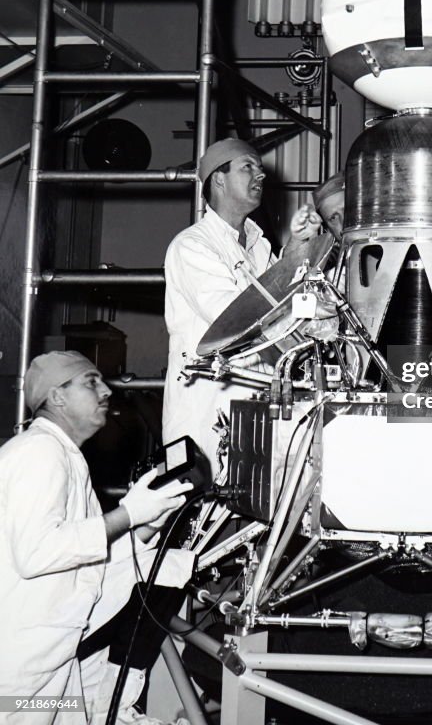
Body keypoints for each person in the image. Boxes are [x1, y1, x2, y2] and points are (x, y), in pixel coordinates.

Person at [0, 352, 191, 725]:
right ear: (57, 397)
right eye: (91, 381)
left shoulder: (62, 455)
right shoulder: (40, 452)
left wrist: (145, 526)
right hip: (17, 677)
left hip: (48, 664)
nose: (106, 390)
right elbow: (38, 552)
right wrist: (128, 514)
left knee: (77, 713)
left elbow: (79, 555)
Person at [163, 139, 322, 466]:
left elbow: (279, 297)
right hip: (210, 406)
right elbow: (236, 317)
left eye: (260, 169)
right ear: (218, 180)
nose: (260, 175)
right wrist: (301, 305)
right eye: (248, 167)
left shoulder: (258, 246)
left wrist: (298, 247)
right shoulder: (192, 246)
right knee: (208, 506)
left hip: (257, 402)